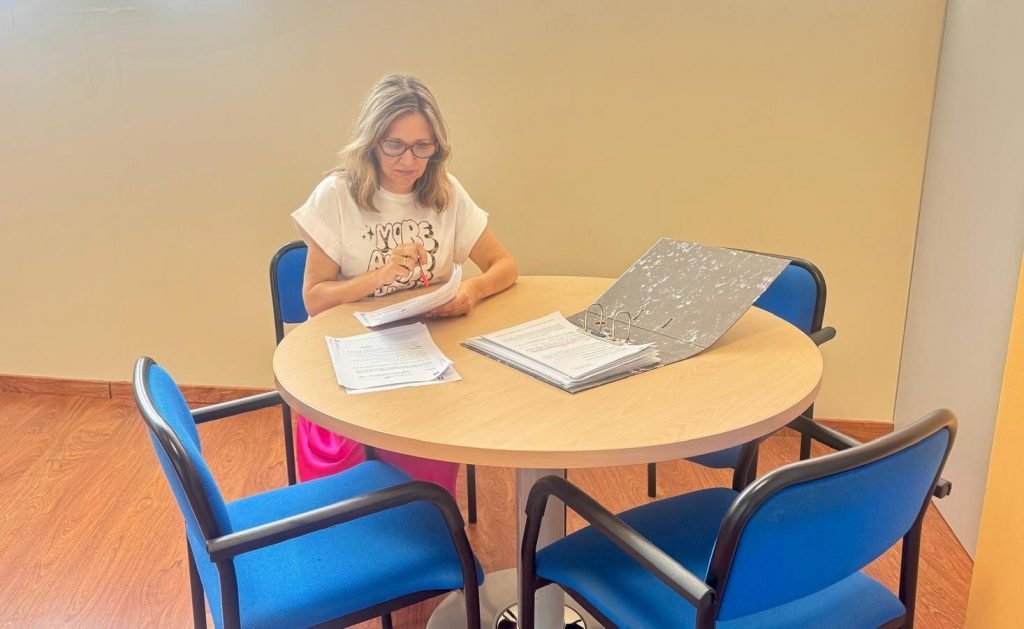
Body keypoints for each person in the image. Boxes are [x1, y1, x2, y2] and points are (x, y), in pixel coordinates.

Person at [290, 75, 518, 493]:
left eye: (422, 147)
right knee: (354, 471)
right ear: (372, 142)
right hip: (352, 360)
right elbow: (315, 300)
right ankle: (364, 524)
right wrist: (380, 276)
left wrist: (470, 292)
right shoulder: (337, 195)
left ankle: (422, 522)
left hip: (423, 358)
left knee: (430, 437)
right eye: (394, 145)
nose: (409, 160)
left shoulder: (446, 193)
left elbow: (504, 266)